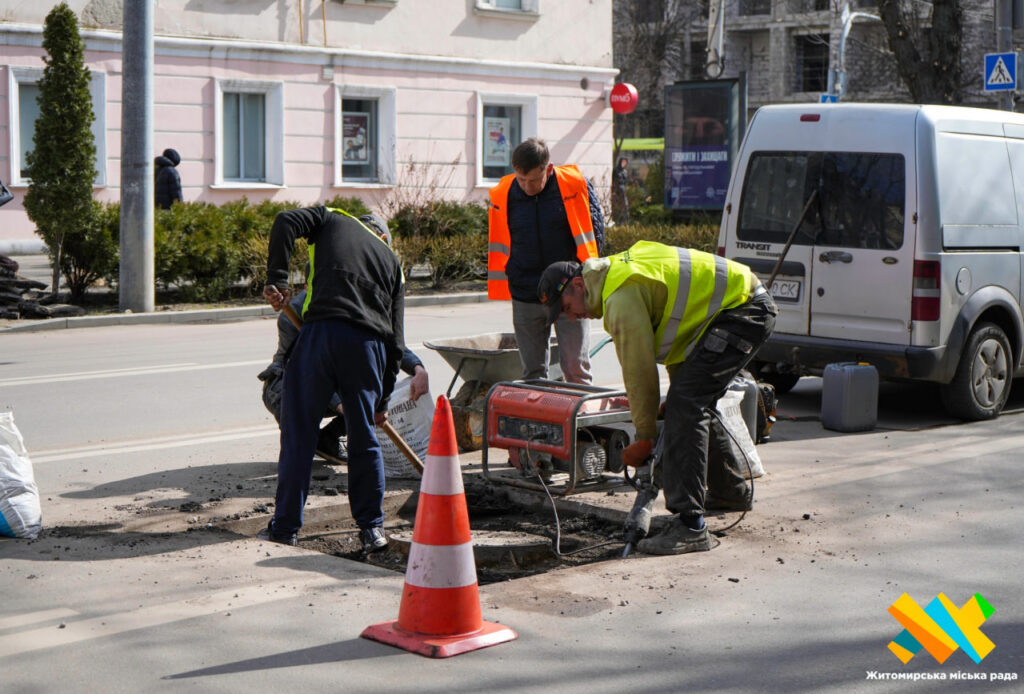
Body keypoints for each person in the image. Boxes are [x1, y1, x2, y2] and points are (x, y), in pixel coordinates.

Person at [538, 240, 777, 555]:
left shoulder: (619, 297)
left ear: (580, 286)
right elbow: (684, 336)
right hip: (740, 308)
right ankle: (729, 491)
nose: (571, 317)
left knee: (686, 406)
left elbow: (639, 373)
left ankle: (691, 526)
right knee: (688, 403)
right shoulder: (617, 274)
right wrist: (674, 401)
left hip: (743, 311)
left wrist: (645, 437)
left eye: (567, 308)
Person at [260, 207, 405, 553]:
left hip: (320, 335)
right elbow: (396, 344)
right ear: (383, 238)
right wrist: (381, 401)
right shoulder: (393, 264)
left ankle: (285, 529)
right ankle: (372, 529)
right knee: (363, 436)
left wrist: (277, 279)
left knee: (299, 436)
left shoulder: (333, 218)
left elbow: (285, 220)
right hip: (367, 347)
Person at [257, 286, 429, 466]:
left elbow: (387, 341)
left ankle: (327, 439)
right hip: (291, 381)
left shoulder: (353, 301)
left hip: (334, 377)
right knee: (296, 420)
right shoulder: (293, 314)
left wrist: (418, 369)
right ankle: (297, 444)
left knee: (370, 389)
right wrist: (341, 404)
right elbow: (308, 369)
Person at [487, 137, 604, 384]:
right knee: (533, 375)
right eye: (521, 179)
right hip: (525, 293)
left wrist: (582, 281)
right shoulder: (504, 193)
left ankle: (580, 410)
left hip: (568, 295)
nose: (526, 187)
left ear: (548, 169)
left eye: (533, 180)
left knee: (576, 371)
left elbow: (595, 234)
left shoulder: (573, 186)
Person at [612, 157, 630, 223]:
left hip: (623, 190)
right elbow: (613, 180)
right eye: (623, 162)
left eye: (625, 162)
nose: (624, 163)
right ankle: (617, 220)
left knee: (625, 205)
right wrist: (614, 191)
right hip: (617, 190)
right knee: (616, 207)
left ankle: (624, 220)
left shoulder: (625, 171)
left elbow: (626, 182)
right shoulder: (616, 170)